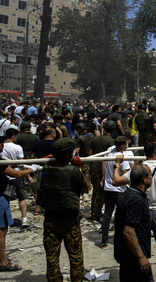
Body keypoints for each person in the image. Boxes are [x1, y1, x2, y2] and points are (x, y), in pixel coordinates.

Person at [114, 141, 156, 282]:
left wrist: (117, 165)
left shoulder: (138, 168)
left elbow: (117, 181)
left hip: (143, 213)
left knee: (139, 244)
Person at [37, 138, 90, 282]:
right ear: (67, 154)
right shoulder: (73, 171)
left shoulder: (47, 169)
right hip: (69, 220)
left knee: (52, 257)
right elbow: (85, 187)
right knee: (75, 256)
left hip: (50, 218)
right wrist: (79, 169)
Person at [0, 135, 34, 272]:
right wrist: (32, 170)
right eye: (1, 143)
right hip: (0, 197)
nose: (2, 145)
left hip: (3, 196)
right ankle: (2, 262)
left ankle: (2, 257)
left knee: (4, 229)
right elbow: (16, 174)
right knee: (1, 231)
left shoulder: (2, 160)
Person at [114, 164, 153, 282]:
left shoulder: (126, 194)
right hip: (133, 258)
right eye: (150, 176)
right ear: (143, 179)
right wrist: (141, 257)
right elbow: (128, 232)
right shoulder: (136, 199)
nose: (152, 178)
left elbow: (117, 220)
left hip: (125, 255)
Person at [101, 136, 131, 249]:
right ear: (123, 146)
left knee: (107, 214)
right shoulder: (122, 158)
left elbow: (103, 165)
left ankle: (104, 241)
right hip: (119, 189)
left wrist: (104, 178)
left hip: (107, 188)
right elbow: (124, 174)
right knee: (121, 215)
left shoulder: (108, 154)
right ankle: (119, 239)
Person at [2, 127, 29, 228]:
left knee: (6, 198)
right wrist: (27, 175)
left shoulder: (2, 147)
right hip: (17, 175)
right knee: (21, 197)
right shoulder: (17, 147)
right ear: (13, 136)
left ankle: (7, 220)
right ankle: (24, 218)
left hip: (5, 174)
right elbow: (21, 164)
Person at [88, 120, 115, 222]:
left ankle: (93, 211)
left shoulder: (95, 138)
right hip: (102, 169)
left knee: (95, 191)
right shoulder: (111, 141)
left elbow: (91, 154)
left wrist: (89, 167)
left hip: (94, 166)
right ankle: (96, 214)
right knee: (100, 193)